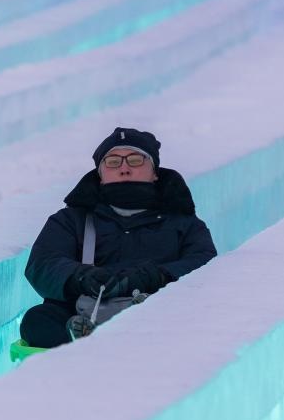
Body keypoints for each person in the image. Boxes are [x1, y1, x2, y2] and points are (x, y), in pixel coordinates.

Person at [20, 127, 216, 348]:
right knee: (37, 321)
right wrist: (81, 277)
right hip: (83, 310)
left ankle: (100, 342)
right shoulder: (72, 219)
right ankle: (81, 341)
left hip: (158, 311)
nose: (124, 168)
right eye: (113, 162)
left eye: (135, 160)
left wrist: (158, 276)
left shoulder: (182, 222)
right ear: (100, 175)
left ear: (155, 172)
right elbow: (42, 263)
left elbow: (206, 261)